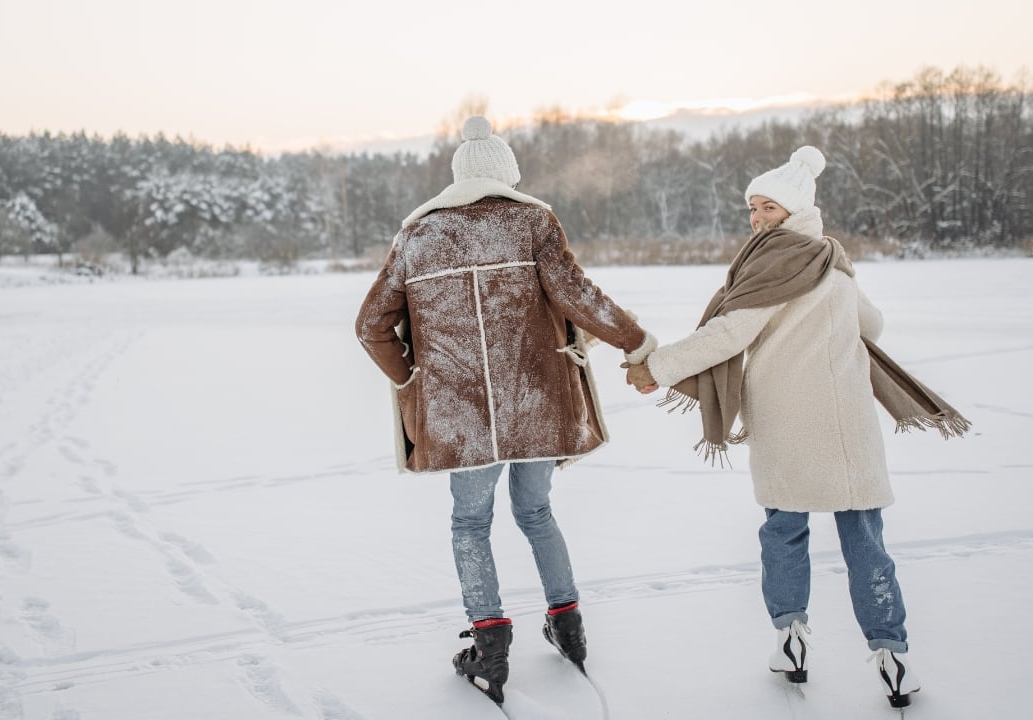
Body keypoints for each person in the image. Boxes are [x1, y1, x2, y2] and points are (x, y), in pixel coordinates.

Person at [625, 146, 969, 709]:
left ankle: (791, 641)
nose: (756, 218)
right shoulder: (830, 259)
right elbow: (873, 326)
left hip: (789, 423)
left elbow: (729, 334)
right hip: (850, 423)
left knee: (785, 532)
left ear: (793, 210)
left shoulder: (774, 262)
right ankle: (893, 657)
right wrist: (841, 294)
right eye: (752, 208)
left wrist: (657, 368)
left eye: (767, 208)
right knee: (865, 540)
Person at [355, 116, 656, 704]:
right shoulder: (532, 222)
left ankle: (490, 645)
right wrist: (635, 341)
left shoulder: (417, 236)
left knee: (471, 523)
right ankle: (568, 626)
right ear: (508, 174)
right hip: (536, 401)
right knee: (536, 511)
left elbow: (371, 326)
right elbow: (577, 296)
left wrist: (410, 376)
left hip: (459, 414)